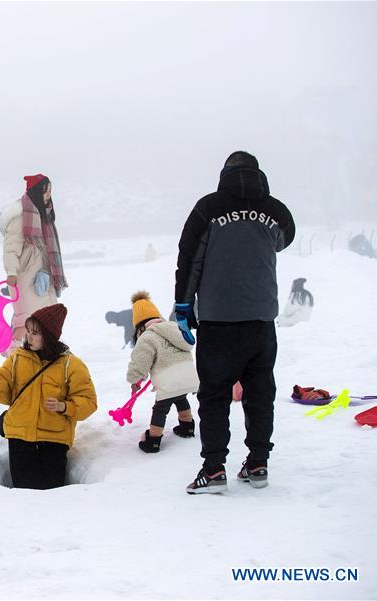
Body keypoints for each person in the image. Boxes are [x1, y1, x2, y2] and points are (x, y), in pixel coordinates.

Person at [174, 151, 295, 494]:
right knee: (260, 393)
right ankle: (258, 463)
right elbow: (284, 240)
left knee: (214, 395)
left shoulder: (208, 208)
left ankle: (213, 470)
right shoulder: (276, 211)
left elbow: (190, 259)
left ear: (225, 174)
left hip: (219, 321)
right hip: (261, 320)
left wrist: (183, 306)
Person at [0, 304, 97, 489]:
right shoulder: (17, 359)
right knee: (22, 493)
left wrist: (64, 407)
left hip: (54, 440)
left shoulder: (71, 364)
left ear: (48, 336)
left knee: (52, 492)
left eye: (35, 333)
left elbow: (89, 401)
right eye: (28, 331)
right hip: (20, 437)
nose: (28, 336)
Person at [0, 174, 68, 352]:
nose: (48, 196)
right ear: (37, 192)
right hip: (25, 276)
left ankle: (43, 352)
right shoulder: (20, 216)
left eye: (50, 192)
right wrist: (11, 272)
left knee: (46, 316)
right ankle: (13, 352)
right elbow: (11, 247)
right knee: (29, 318)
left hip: (43, 276)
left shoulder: (44, 216)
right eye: (45, 192)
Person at [125, 291, 198, 453]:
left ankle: (153, 440)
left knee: (160, 409)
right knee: (180, 397)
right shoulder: (175, 328)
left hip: (168, 381)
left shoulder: (146, 337)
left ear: (138, 325)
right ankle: (187, 427)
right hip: (189, 377)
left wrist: (134, 380)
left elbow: (140, 363)